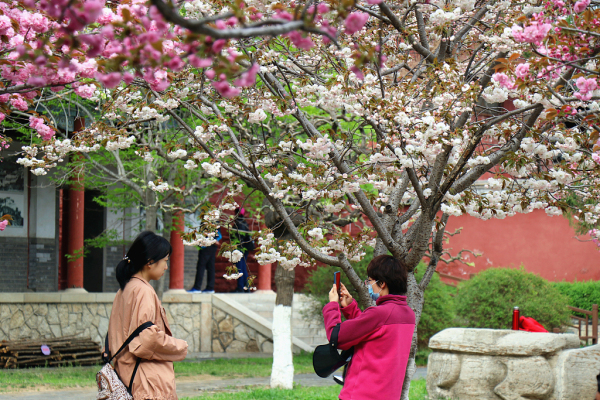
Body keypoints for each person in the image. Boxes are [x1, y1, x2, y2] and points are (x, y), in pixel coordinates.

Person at [106, 231, 188, 400]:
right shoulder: (143, 291)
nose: (166, 266)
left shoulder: (125, 288)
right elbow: (146, 340)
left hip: (128, 378)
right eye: (165, 261)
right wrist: (179, 347)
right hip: (146, 383)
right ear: (150, 262)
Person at [323, 255, 415, 400]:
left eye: (370, 281)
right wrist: (350, 307)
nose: (368, 285)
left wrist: (332, 306)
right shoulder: (408, 314)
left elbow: (336, 337)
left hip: (361, 394)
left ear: (382, 283)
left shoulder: (379, 313)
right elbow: (373, 334)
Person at [188, 228, 221, 294]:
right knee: (211, 266)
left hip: (206, 245)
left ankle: (197, 287)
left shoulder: (207, 222)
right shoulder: (216, 222)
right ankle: (210, 288)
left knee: (201, 266)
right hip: (212, 246)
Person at [231, 208, 255, 292]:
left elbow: (238, 238)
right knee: (243, 268)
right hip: (244, 249)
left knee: (240, 268)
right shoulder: (245, 223)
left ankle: (241, 287)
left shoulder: (238, 224)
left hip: (239, 249)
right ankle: (246, 287)